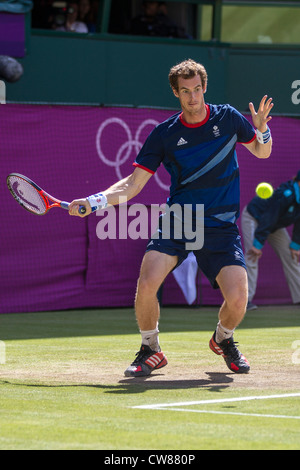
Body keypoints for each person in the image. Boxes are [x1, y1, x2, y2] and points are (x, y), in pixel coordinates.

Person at [69, 59, 273, 377]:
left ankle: (224, 338)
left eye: (197, 90)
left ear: (204, 87)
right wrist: (95, 202)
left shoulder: (229, 119)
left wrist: (262, 130)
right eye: (185, 92)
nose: (193, 97)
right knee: (148, 281)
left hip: (220, 224)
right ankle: (151, 348)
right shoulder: (164, 134)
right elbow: (133, 184)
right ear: (176, 93)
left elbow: (263, 152)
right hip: (180, 219)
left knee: (238, 299)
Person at [242, 172, 300, 310]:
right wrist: (257, 245)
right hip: (254, 217)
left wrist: (295, 245)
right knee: (252, 256)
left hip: (273, 225)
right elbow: (269, 217)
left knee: (291, 256)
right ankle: (245, 301)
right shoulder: (285, 194)